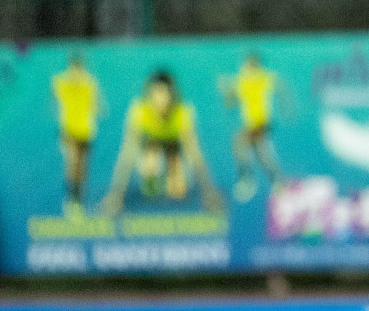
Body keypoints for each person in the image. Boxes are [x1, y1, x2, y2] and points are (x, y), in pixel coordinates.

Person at [100, 70, 225, 217]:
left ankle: (171, 176)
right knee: (151, 183)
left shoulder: (182, 113)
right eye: (155, 94)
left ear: (172, 95)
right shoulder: (139, 112)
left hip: (174, 149)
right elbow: (128, 153)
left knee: (177, 191)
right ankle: (155, 176)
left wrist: (209, 192)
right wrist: (115, 194)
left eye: (163, 94)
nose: (159, 100)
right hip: (151, 148)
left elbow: (194, 153)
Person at [219, 51, 285, 202]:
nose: (245, 69)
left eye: (249, 66)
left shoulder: (264, 78)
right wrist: (226, 91)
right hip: (250, 125)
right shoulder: (241, 82)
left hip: (262, 123)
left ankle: (248, 180)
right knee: (261, 154)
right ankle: (276, 180)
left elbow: (280, 87)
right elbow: (230, 103)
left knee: (240, 142)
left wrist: (285, 107)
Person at [51, 53, 103, 218]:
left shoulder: (90, 84)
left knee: (82, 168)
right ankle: (71, 200)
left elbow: (97, 107)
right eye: (73, 70)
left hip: (86, 132)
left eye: (79, 70)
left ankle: (78, 201)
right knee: (72, 163)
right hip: (68, 132)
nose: (76, 74)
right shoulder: (61, 83)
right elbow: (56, 91)